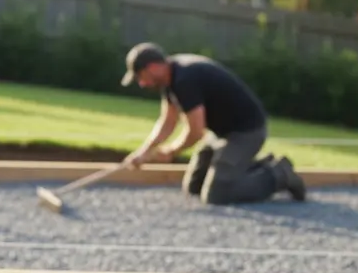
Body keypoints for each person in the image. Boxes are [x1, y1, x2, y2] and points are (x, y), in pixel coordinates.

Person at [120, 42, 306, 205]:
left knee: (217, 194)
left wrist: (172, 151)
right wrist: (142, 153)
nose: (142, 83)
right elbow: (168, 122)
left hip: (246, 132)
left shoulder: (185, 79)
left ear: (153, 67)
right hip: (221, 134)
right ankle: (254, 167)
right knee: (194, 186)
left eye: (140, 76)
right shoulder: (170, 78)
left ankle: (279, 175)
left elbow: (196, 132)